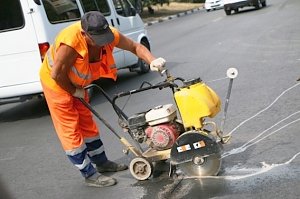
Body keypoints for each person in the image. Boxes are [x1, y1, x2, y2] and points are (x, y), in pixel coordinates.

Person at [39, 11, 166, 188]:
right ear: (84, 34)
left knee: (87, 123)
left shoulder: (109, 34)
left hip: (78, 85)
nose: (103, 43)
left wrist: (152, 60)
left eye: (104, 37)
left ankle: (102, 163)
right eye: (97, 39)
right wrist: (72, 91)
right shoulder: (70, 43)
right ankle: (89, 174)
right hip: (57, 85)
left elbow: (135, 47)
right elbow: (56, 74)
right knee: (71, 130)